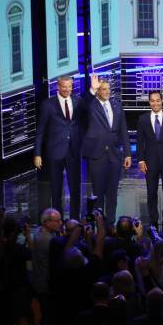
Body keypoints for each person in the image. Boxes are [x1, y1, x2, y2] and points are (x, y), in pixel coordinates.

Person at [81, 74, 132, 224]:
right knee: (98, 194)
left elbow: (123, 130)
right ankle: (100, 226)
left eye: (108, 89)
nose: (107, 92)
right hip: (97, 155)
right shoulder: (91, 105)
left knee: (112, 194)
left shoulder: (116, 105)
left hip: (115, 155)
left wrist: (127, 154)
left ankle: (110, 225)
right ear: (98, 91)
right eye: (103, 89)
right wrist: (91, 89)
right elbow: (82, 106)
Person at [34, 75, 84, 219]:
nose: (68, 89)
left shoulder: (78, 101)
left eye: (70, 86)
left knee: (75, 189)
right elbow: (40, 131)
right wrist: (37, 154)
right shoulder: (48, 104)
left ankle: (75, 221)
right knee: (56, 190)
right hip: (55, 152)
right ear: (58, 86)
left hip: (73, 150)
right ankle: (57, 222)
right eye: (64, 86)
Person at [136, 91, 163, 231]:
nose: (155, 103)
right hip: (150, 162)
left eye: (157, 100)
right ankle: (154, 222)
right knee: (151, 193)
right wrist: (141, 160)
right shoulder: (142, 119)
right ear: (149, 102)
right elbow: (140, 141)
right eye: (152, 101)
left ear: (162, 101)